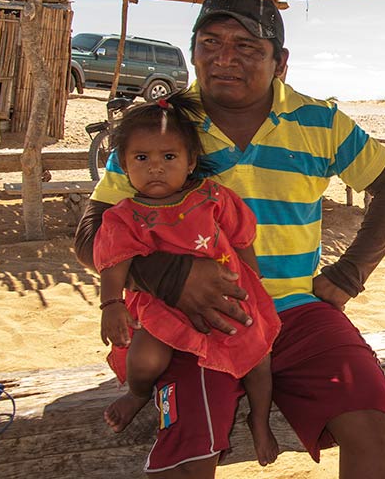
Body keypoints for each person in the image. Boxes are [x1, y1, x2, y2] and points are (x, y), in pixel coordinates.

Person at [75, 0, 385, 479]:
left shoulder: (320, 123)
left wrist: (349, 274)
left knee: (368, 424)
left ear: (280, 62)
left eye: (247, 47)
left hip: (296, 312)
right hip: (189, 322)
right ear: (192, 52)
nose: (224, 59)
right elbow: (92, 233)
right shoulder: (164, 127)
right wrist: (169, 277)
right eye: (209, 44)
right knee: (188, 449)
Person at [93, 92, 281, 467]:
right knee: (146, 359)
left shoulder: (213, 198)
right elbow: (114, 261)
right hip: (162, 308)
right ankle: (137, 394)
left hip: (227, 300)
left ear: (191, 161)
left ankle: (259, 421)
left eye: (169, 157)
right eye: (142, 158)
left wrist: (255, 289)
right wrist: (111, 304)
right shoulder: (125, 215)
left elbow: (243, 241)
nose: (156, 168)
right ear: (123, 164)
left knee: (259, 358)